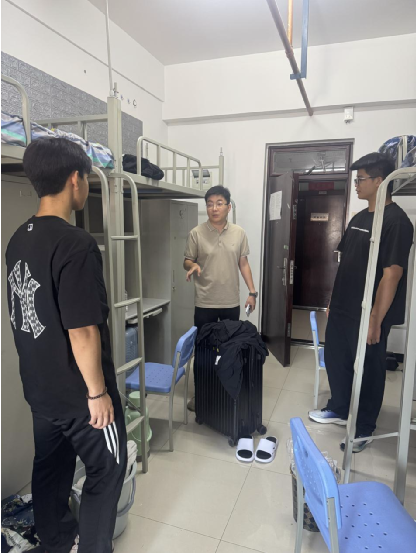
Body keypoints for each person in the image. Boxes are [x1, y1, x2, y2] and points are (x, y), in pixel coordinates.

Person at [6, 138, 127, 553]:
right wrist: (97, 393)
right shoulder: (75, 243)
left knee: (50, 465)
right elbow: (83, 330)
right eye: (87, 178)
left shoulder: (18, 239)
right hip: (79, 395)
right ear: (75, 179)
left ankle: (57, 541)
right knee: (107, 469)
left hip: (39, 388)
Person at [309, 152, 414, 453]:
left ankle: (365, 427)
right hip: (344, 307)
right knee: (337, 359)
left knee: (369, 369)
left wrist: (375, 319)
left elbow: (392, 274)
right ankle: (340, 408)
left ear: (380, 181)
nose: (356, 185)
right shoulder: (359, 218)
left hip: (370, 313)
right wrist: (333, 299)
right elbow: (347, 263)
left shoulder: (397, 222)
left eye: (361, 180)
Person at [184, 185, 257, 411]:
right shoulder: (196, 233)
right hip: (204, 302)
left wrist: (252, 292)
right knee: (203, 351)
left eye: (219, 203)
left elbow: (243, 264)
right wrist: (192, 265)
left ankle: (226, 395)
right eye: (209, 204)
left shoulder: (239, 233)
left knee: (229, 351)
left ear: (228, 206)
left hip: (230, 303)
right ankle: (201, 395)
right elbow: (187, 260)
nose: (214, 208)